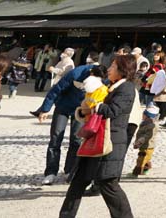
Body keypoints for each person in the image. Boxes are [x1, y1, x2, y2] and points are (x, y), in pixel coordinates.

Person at [58, 54, 137, 218]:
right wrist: (85, 109)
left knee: (108, 184)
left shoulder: (127, 88)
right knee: (78, 181)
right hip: (96, 138)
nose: (109, 69)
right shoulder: (111, 85)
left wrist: (94, 106)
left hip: (110, 141)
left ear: (122, 70)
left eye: (113, 66)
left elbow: (113, 111)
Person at [31, 60, 100, 185]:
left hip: (81, 110)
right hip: (63, 106)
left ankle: (70, 170)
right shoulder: (75, 73)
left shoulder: (102, 79)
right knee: (56, 137)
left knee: (76, 139)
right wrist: (45, 109)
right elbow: (55, 90)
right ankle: (51, 172)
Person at [131, 104, 158, 177]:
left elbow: (147, 136)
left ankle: (138, 172)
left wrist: (139, 141)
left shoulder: (151, 126)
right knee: (146, 157)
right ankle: (146, 168)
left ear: (148, 117)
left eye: (143, 114)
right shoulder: (145, 123)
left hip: (147, 146)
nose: (142, 116)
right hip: (144, 145)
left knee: (142, 159)